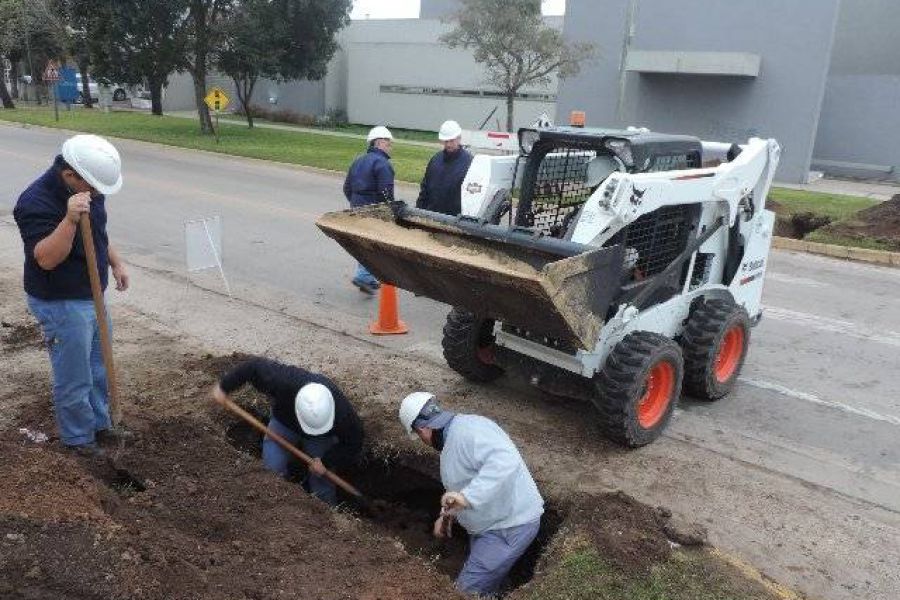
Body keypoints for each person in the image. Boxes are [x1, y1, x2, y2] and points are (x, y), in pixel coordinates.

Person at [13, 134, 129, 454]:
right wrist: (69, 219)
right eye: (92, 187)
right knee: (75, 375)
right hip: (60, 302)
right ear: (69, 175)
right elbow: (46, 259)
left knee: (99, 366)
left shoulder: (87, 188)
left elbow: (100, 234)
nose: (96, 194)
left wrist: (116, 263)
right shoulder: (34, 202)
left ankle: (101, 424)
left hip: (92, 293)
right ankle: (79, 439)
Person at [398, 392, 544, 596]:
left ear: (422, 429)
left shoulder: (471, 432)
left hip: (508, 527)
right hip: (490, 527)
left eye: (417, 435)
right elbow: (461, 484)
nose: (421, 440)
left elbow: (504, 462)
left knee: (464, 592)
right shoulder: (454, 438)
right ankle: (496, 591)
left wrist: (467, 498)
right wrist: (446, 515)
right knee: (487, 583)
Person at [212, 357, 364, 506]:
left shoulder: (343, 414)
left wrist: (327, 461)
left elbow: (354, 443)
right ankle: (280, 512)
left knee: (321, 479)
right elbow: (252, 367)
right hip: (284, 424)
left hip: (321, 438)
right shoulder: (285, 382)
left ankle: (329, 517)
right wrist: (224, 387)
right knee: (272, 472)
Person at [343, 125, 395, 295]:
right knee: (373, 245)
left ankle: (367, 277)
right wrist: (389, 212)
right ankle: (364, 276)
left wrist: (356, 203)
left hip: (357, 206)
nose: (390, 147)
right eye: (388, 143)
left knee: (363, 242)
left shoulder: (358, 161)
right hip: (374, 210)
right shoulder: (382, 163)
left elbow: (346, 188)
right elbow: (386, 192)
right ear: (379, 143)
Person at [416, 120, 473, 216]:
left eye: (451, 140)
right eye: (446, 141)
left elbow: (471, 197)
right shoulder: (435, 160)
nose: (448, 144)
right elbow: (424, 190)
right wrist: (418, 212)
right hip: (432, 217)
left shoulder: (470, 163)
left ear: (459, 138)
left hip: (454, 221)